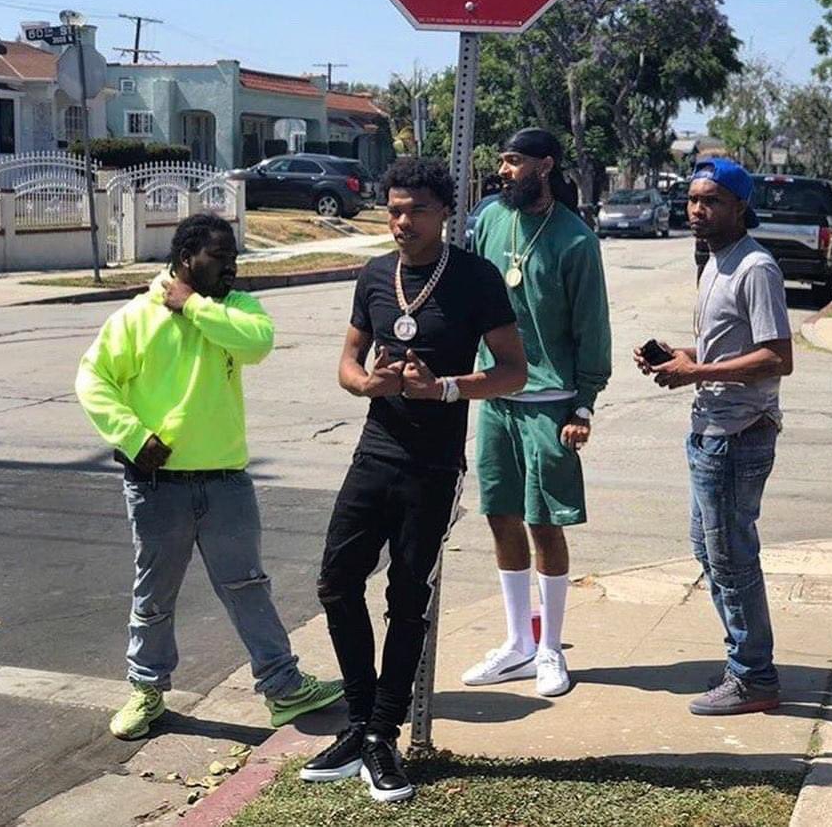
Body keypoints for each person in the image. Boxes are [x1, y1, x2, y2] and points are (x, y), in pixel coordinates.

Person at [300, 157, 526, 804]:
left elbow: (513, 370)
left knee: (407, 596)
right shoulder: (375, 276)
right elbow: (347, 359)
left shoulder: (475, 279)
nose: (401, 222)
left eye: (415, 211)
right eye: (394, 209)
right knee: (336, 582)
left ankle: (381, 736)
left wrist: (447, 388)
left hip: (433, 465)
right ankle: (358, 723)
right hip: (374, 452)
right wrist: (364, 382)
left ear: (443, 214)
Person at [75, 213, 342, 740]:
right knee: (154, 594)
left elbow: (257, 344)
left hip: (225, 482)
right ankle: (146, 690)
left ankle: (284, 689)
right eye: (220, 258)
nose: (232, 269)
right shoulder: (136, 319)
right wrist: (132, 436)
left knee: (248, 587)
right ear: (185, 260)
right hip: (158, 486)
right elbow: (93, 379)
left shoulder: (234, 308)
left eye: (234, 258)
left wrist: (193, 304)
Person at [634, 157, 793, 716]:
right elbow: (731, 348)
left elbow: (777, 358)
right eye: (694, 200)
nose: (698, 210)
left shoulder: (755, 268)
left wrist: (696, 373)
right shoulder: (715, 263)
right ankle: (743, 659)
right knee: (710, 549)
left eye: (712, 201)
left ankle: (754, 676)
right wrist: (684, 356)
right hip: (709, 428)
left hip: (738, 433)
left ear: (739, 206)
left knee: (731, 556)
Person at [462, 128, 612, 699]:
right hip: (495, 396)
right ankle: (517, 645)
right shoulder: (492, 221)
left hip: (550, 403)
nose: (503, 170)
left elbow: (592, 330)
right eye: (501, 159)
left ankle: (550, 648)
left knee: (543, 525)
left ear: (545, 166)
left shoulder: (576, 240)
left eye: (514, 160)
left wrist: (583, 404)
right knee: (500, 515)